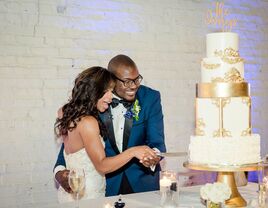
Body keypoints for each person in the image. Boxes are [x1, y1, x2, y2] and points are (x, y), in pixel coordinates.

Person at [54, 55, 166, 196]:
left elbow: (157, 142)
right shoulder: (97, 100)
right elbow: (72, 142)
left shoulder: (150, 98)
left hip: (142, 183)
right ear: (112, 79)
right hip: (108, 184)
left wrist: (152, 157)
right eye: (126, 81)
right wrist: (59, 170)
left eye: (137, 79)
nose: (133, 86)